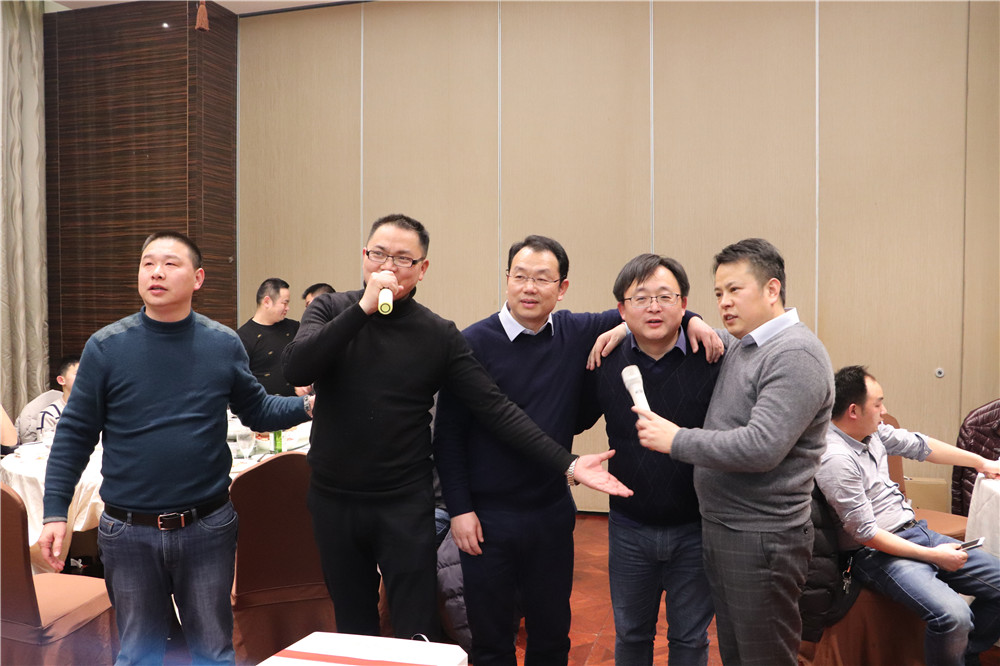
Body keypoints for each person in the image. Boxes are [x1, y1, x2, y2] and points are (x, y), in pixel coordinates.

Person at [282, 214, 632, 643]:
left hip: (404, 501)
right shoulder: (331, 308)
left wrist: (569, 464)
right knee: (353, 624)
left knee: (416, 627)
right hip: (334, 498)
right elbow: (297, 368)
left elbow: (495, 408)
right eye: (379, 255)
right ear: (364, 256)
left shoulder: (438, 334)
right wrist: (363, 310)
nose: (388, 267)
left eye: (403, 259)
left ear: (422, 268)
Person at [434, 239, 721, 666]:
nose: (530, 287)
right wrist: (459, 509)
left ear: (562, 287)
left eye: (542, 278)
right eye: (520, 276)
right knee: (491, 641)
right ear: (507, 279)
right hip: (487, 516)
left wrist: (694, 320)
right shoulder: (471, 342)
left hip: (551, 510)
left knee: (552, 638)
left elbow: (646, 309)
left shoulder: (574, 332)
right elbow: (448, 436)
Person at [39, 231, 312, 666]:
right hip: (128, 531)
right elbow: (74, 434)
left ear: (198, 278)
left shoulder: (222, 343)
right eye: (148, 263)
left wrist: (310, 405)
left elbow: (258, 410)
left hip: (207, 527)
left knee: (212, 653)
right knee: (139, 655)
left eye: (170, 263)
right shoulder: (107, 347)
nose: (156, 272)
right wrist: (56, 511)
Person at [633, 238, 834, 666]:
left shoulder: (795, 354)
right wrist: (642, 325)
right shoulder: (747, 342)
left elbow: (761, 447)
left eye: (734, 290)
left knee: (764, 656)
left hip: (762, 537)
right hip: (728, 529)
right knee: (737, 653)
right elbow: (690, 330)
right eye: (718, 292)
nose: (724, 302)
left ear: (772, 289)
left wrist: (677, 440)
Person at [578, 253, 722, 665]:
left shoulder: (711, 356)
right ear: (622, 310)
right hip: (629, 526)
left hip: (697, 526)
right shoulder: (605, 359)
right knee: (631, 634)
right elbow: (573, 418)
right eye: (641, 299)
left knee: (691, 638)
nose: (654, 307)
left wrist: (694, 320)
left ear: (684, 303)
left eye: (665, 297)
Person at [815, 365, 1000, 665]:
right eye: (878, 404)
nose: (884, 411)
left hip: (914, 531)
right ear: (853, 411)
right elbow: (866, 534)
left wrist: (981, 462)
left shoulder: (871, 433)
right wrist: (934, 556)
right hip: (875, 554)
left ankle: (965, 655)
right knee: (954, 615)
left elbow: (921, 445)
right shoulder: (835, 458)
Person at [237, 278, 304, 396]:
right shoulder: (243, 337)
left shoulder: (294, 328)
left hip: (297, 404)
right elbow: (239, 380)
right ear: (267, 302)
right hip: (262, 405)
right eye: (284, 303)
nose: (287, 308)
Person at [36, 355, 80, 438]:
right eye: (79, 373)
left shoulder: (98, 410)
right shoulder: (49, 415)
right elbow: (46, 444)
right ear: (61, 380)